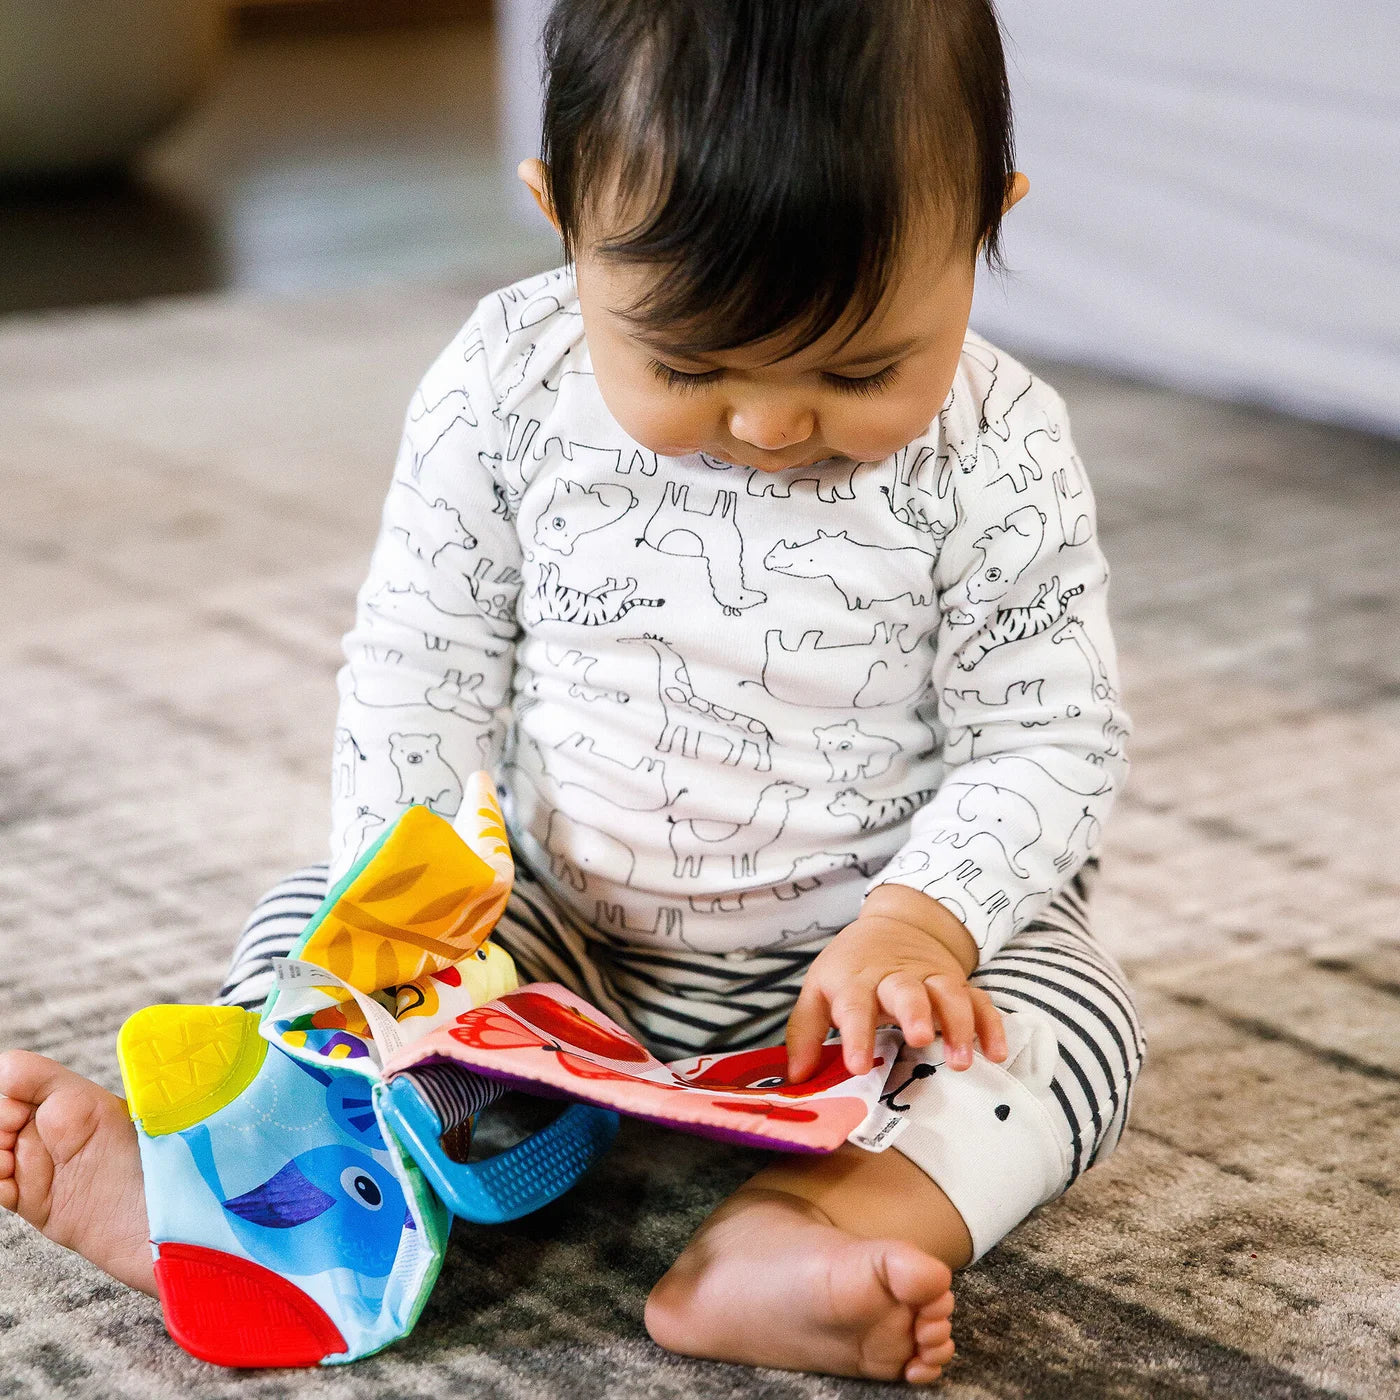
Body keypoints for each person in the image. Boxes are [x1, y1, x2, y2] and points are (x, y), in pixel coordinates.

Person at [0, 0, 1144, 1384]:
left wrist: (923, 922)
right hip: (548, 935)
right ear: (560, 221)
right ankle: (240, 1192)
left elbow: (1051, 734)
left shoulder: (1001, 450)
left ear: (984, 224)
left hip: (863, 979)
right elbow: (422, 661)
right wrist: (404, 912)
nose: (775, 426)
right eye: (687, 362)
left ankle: (801, 1235)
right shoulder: (506, 385)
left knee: (1064, 1022)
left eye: (860, 367)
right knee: (317, 923)